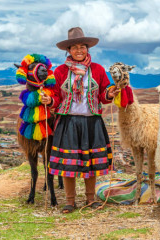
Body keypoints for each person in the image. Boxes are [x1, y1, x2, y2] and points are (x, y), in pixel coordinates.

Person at [42, 27, 119, 213]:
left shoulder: (98, 70)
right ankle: (70, 201)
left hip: (92, 122)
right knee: (69, 163)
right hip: (68, 122)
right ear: (68, 50)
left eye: (82, 47)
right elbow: (56, 97)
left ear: (87, 49)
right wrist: (50, 100)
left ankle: (90, 199)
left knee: (90, 162)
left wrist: (110, 92)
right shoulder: (60, 72)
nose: (79, 50)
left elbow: (103, 94)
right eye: (75, 47)